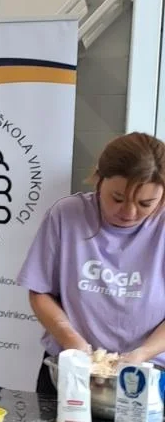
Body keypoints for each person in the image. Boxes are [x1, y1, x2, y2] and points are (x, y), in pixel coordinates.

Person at [18, 131, 165, 387]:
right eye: (117, 198)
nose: (129, 213)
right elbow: (40, 292)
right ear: (99, 180)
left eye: (145, 203)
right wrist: (71, 341)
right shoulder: (67, 215)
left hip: (150, 373)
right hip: (73, 364)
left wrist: (141, 355)